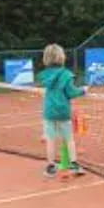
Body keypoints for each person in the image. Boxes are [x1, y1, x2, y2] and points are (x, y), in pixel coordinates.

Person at [37, 43, 88, 177]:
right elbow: (71, 92)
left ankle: (50, 166)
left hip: (49, 112)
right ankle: (74, 164)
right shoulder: (66, 74)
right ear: (61, 57)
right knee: (69, 139)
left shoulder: (45, 75)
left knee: (50, 139)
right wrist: (83, 90)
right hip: (63, 112)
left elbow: (45, 87)